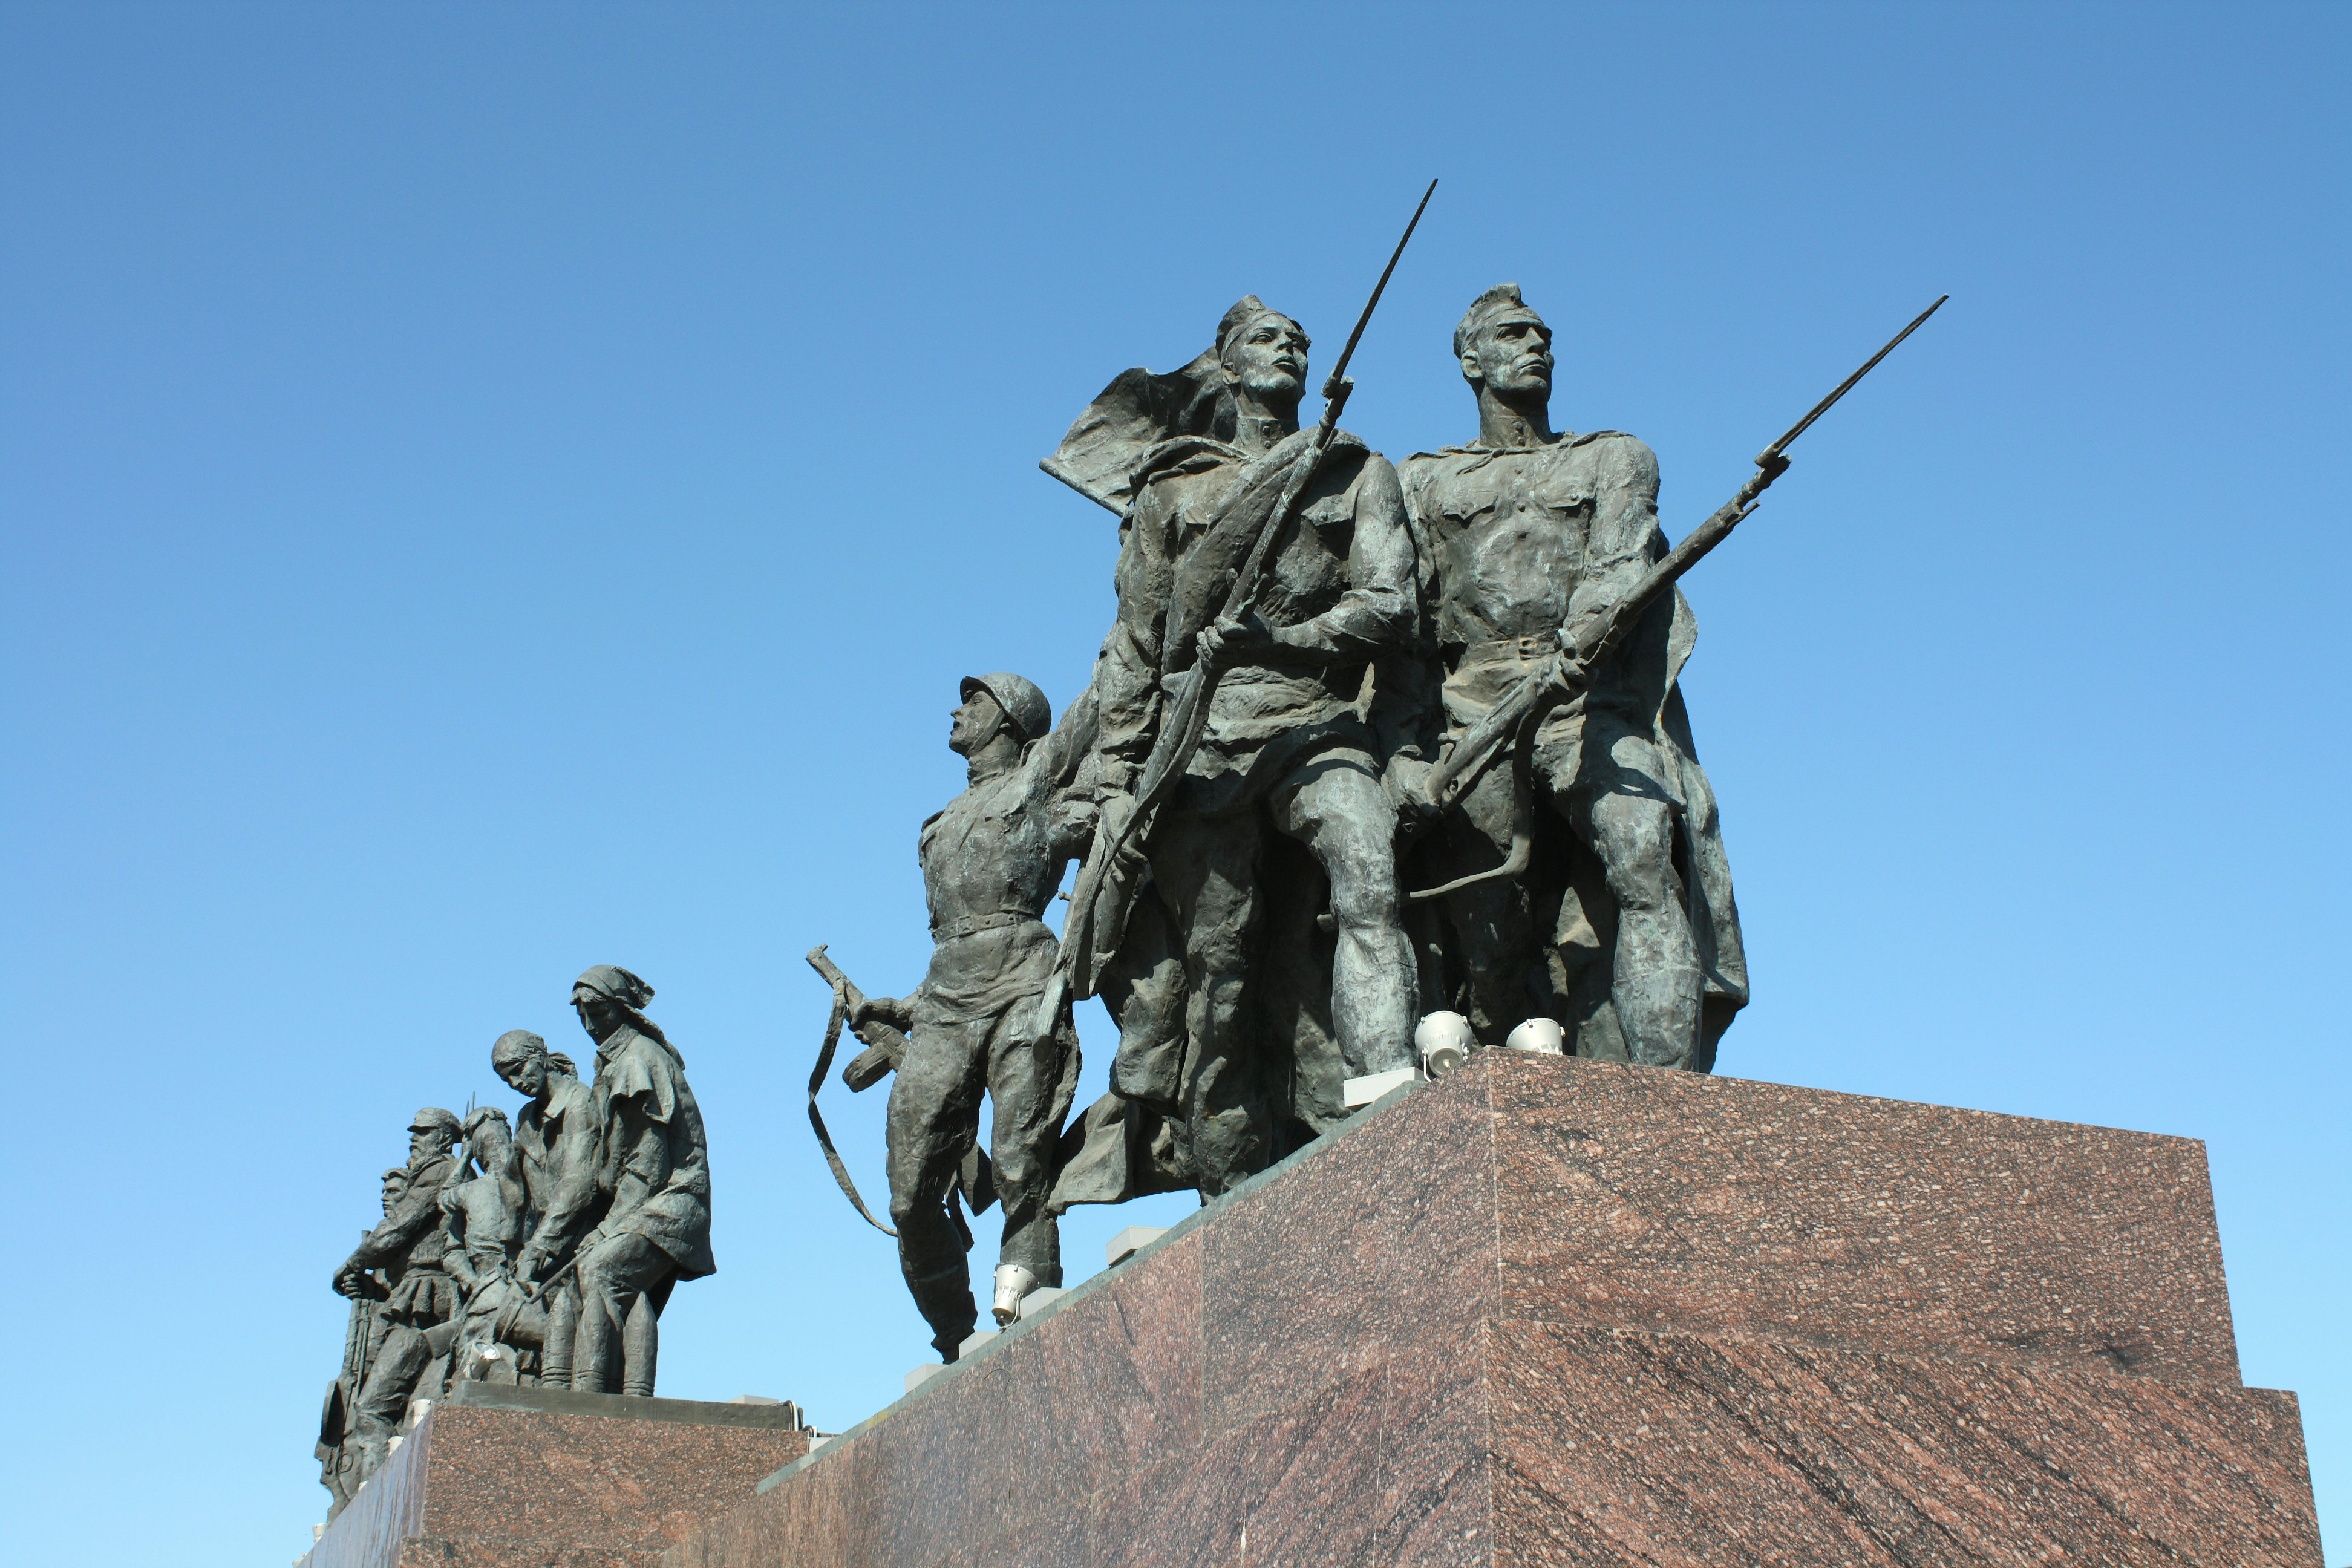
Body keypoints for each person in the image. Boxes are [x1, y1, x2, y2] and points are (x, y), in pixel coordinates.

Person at [1398, 283, 1747, 1067]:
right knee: (1488, 924)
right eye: (1515, 334)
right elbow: (1399, 611)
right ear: (1470, 359)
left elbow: (1620, 565)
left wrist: (1578, 645)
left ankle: (1669, 1101)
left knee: (1642, 844)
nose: (1536, 346)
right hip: (1469, 709)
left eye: (1543, 335)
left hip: (1586, 704)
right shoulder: (1420, 482)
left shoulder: (1615, 457)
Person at [1133, 298, 1422, 1194]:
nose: (1289, 348)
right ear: (1226, 365)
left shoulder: (1354, 472)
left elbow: (1391, 604)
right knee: (1215, 976)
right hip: (1206, 745)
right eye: (1267, 338)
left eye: (1298, 338)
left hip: (1317, 719)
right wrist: (1110, 785)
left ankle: (1391, 1114)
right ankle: (1228, 1191)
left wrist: (1284, 642)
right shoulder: (1172, 494)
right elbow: (1136, 651)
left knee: (1369, 874)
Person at [851, 673, 1095, 1355]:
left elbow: (1099, 699)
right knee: (909, 1190)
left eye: (976, 702)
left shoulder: (1038, 777)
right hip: (945, 997)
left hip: (1025, 978)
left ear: (1011, 723)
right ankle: (954, 1332)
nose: (958, 711)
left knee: (1021, 1161)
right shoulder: (937, 824)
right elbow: (955, 933)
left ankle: (1036, 1300)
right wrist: (901, 1006)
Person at [567, 966, 714, 1396]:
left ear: (620, 1009)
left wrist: (606, 1229)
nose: (590, 1025)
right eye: (581, 1015)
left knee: (599, 1272)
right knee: (594, 1280)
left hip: (671, 1205)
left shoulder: (637, 1061)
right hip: (649, 1206)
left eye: (599, 1012)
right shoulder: (616, 1061)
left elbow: (646, 1166)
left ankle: (602, 1401)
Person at [330, 1108, 462, 1478]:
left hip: (427, 1294)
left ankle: (379, 1498)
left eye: (423, 1133)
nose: (414, 1140)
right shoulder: (435, 1170)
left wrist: (352, 1263)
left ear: (444, 1138)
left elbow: (398, 1228)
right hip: (417, 1290)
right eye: (414, 1133)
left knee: (373, 1407)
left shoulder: (439, 1170)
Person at [494, 1028, 601, 1388]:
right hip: (547, 1247)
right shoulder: (526, 1118)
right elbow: (516, 1193)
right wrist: (516, 1249)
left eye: (518, 1068)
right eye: (505, 1077)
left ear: (540, 1057)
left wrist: (536, 1250)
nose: (514, 1082)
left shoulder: (580, 1102)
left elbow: (578, 1184)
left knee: (580, 1357)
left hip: (585, 1239)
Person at [439, 1106, 543, 1383]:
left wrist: (464, 1161)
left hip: (519, 1289)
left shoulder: (531, 1184)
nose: (496, 1148)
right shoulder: (471, 1191)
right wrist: (473, 1283)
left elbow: (444, 1196)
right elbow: (451, 1254)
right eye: (489, 1142)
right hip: (496, 1290)